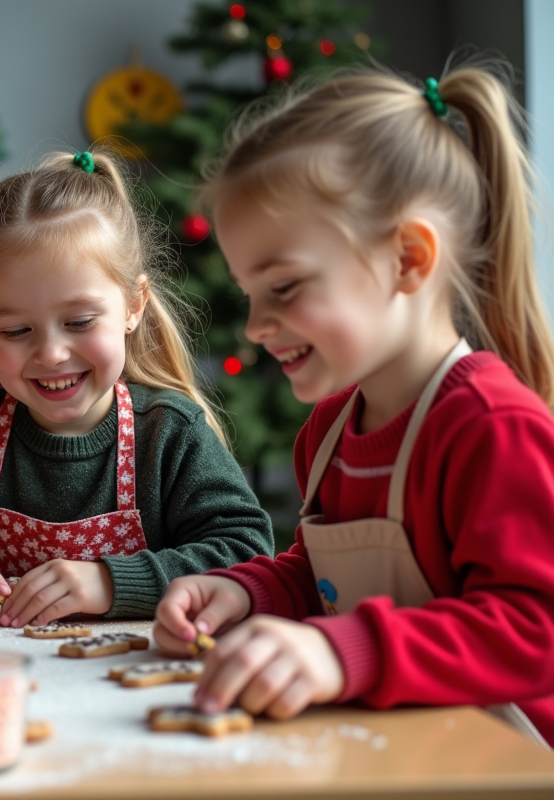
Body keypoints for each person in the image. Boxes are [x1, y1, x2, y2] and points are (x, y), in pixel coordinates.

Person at [153, 64, 554, 747]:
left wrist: (345, 652)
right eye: (251, 293)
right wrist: (248, 591)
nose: (255, 326)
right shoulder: (331, 431)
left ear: (407, 259)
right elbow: (323, 580)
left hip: (506, 760)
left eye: (284, 286)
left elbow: (536, 627)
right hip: (397, 749)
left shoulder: (493, 427)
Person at [0, 149, 274, 626]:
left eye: (78, 321)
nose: (51, 354)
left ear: (134, 305)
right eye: (16, 331)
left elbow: (245, 553)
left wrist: (108, 582)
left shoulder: (171, 433)